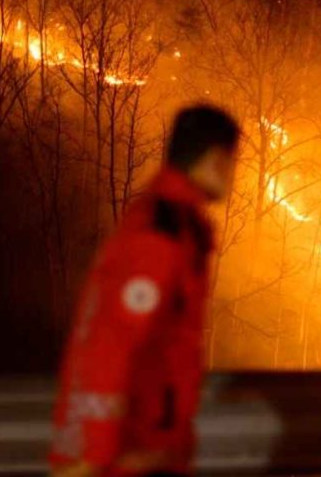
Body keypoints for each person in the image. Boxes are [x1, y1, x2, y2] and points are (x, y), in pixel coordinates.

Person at [50, 105, 240, 477]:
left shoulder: (181, 228)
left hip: (154, 450)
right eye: (232, 164)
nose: (233, 177)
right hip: (129, 454)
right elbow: (111, 341)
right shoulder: (160, 235)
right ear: (215, 160)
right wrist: (94, 455)